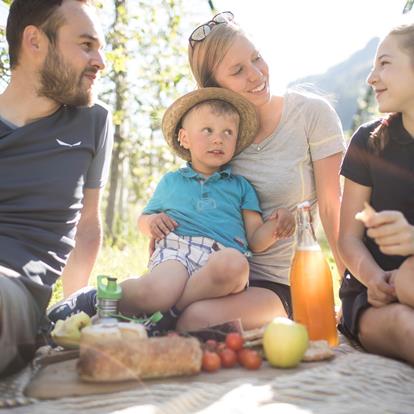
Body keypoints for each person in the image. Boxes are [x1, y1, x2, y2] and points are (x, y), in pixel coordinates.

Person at [49, 87, 295, 335]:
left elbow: (255, 239)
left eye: (228, 132)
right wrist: (152, 222)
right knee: (158, 291)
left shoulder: (240, 186)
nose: (218, 139)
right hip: (177, 251)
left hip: (219, 261)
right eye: (208, 130)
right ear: (185, 138)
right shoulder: (171, 182)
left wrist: (276, 227)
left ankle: (165, 316)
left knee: (235, 264)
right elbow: (144, 220)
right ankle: (94, 300)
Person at [168, 11, 345, 332]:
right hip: (216, 271)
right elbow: (195, 199)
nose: (255, 74)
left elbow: (334, 210)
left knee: (194, 320)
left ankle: (159, 317)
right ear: (215, 86)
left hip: (280, 282)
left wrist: (351, 290)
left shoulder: (311, 114)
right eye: (237, 70)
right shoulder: (220, 139)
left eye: (257, 58)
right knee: (159, 297)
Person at [0, 0, 113, 376]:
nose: (100, 60)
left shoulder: (93, 122)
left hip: (13, 296)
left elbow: (87, 225)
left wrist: (70, 312)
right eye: (86, 45)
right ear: (35, 42)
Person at [338, 23, 414, 364]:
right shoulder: (367, 142)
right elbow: (348, 239)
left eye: (384, 63)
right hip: (374, 297)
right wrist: (374, 279)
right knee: (405, 326)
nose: (371, 78)